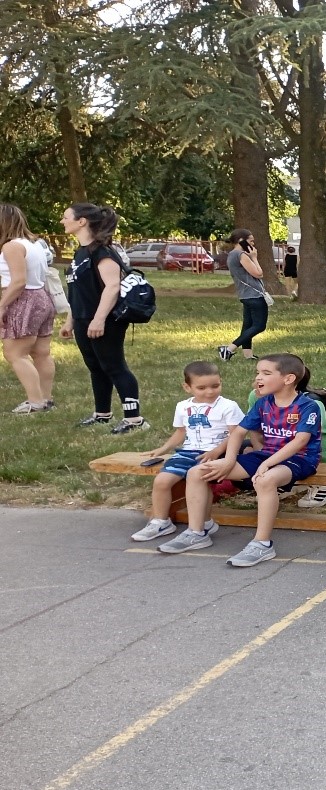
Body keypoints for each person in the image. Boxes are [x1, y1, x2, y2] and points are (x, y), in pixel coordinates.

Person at [158, 354, 321, 567]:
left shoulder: (307, 406)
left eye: (266, 373)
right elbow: (238, 432)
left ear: (288, 379)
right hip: (267, 455)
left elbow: (300, 441)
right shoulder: (263, 403)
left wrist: (267, 463)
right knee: (197, 472)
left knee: (264, 480)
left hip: (299, 458)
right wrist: (229, 460)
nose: (258, 377)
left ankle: (262, 544)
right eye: (258, 372)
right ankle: (196, 533)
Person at [131, 361, 244, 542]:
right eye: (202, 388)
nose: (210, 392)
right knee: (161, 481)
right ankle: (161, 521)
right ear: (187, 387)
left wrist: (216, 451)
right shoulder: (183, 406)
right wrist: (163, 449)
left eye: (215, 386)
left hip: (216, 453)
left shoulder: (228, 406)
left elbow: (236, 434)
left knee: (201, 480)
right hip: (187, 452)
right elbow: (181, 432)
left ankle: (204, 522)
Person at [59, 203, 147, 433]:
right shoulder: (80, 253)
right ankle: (102, 414)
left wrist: (98, 320)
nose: (62, 221)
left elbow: (112, 286)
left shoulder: (102, 252)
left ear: (82, 221)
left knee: (114, 367)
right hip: (83, 319)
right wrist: (71, 321)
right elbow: (78, 292)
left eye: (66, 217)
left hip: (105, 320)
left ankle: (134, 420)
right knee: (96, 368)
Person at [0, 204, 57, 414]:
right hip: (41, 297)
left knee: (15, 353)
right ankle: (45, 398)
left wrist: (1, 306)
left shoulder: (11, 246)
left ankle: (35, 401)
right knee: (41, 353)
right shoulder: (33, 244)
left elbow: (18, 281)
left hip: (23, 300)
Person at [217, 229, 268, 362]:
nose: (253, 244)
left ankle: (248, 354)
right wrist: (254, 257)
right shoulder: (241, 255)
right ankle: (228, 349)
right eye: (251, 240)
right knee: (259, 325)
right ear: (241, 240)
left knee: (248, 325)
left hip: (245, 294)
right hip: (254, 294)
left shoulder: (232, 254)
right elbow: (258, 273)